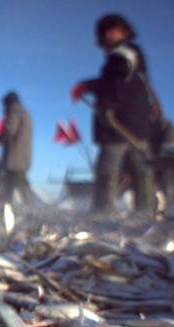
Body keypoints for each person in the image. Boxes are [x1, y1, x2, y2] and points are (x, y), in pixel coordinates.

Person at [71, 14, 154, 214]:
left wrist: (107, 104)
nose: (108, 34)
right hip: (137, 125)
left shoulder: (122, 56)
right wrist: (89, 86)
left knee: (107, 168)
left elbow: (114, 83)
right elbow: (119, 83)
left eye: (113, 29)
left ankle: (101, 211)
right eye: (104, 32)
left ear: (124, 30)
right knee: (141, 168)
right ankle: (147, 212)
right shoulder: (133, 56)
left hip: (120, 124)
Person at [0, 92, 33, 204]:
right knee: (14, 179)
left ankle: (27, 203)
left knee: (16, 178)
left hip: (15, 154)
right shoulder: (25, 113)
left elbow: (10, 130)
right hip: (22, 153)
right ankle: (7, 201)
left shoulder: (14, 111)